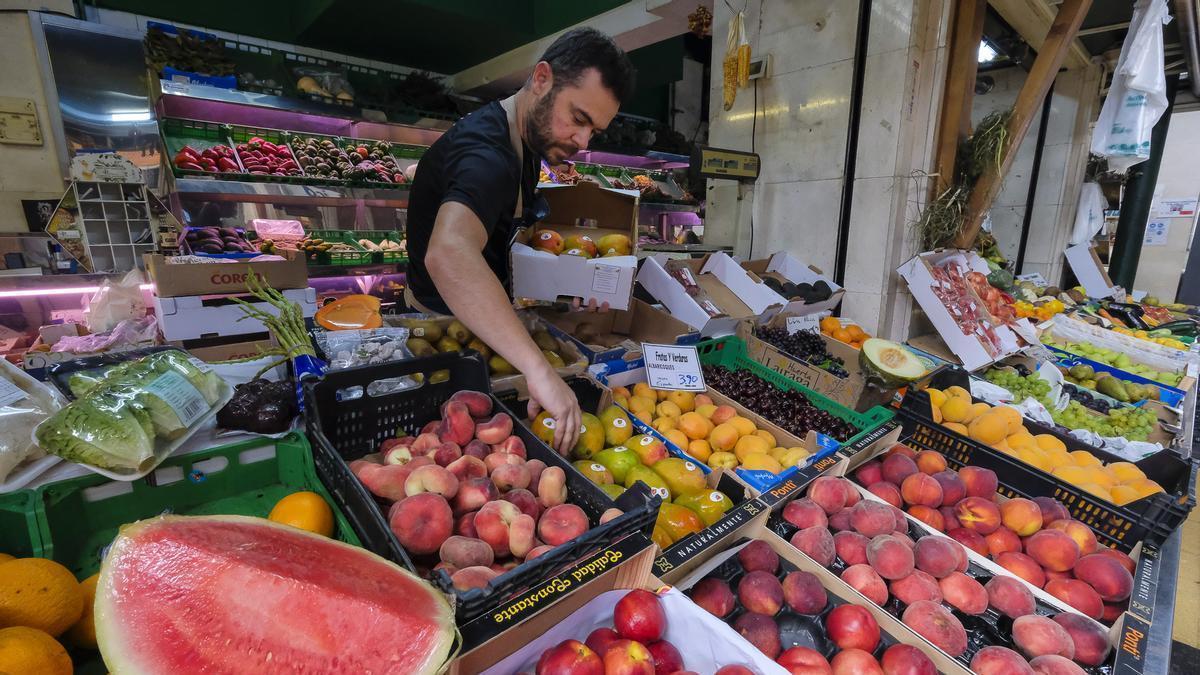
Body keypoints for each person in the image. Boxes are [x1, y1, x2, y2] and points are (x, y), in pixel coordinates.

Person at [406, 28, 634, 455]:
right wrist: (539, 370)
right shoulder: (487, 155)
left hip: (485, 331)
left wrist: (562, 292)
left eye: (594, 131)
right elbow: (449, 254)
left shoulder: (525, 141)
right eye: (579, 119)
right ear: (542, 79)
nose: (583, 142)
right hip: (442, 339)